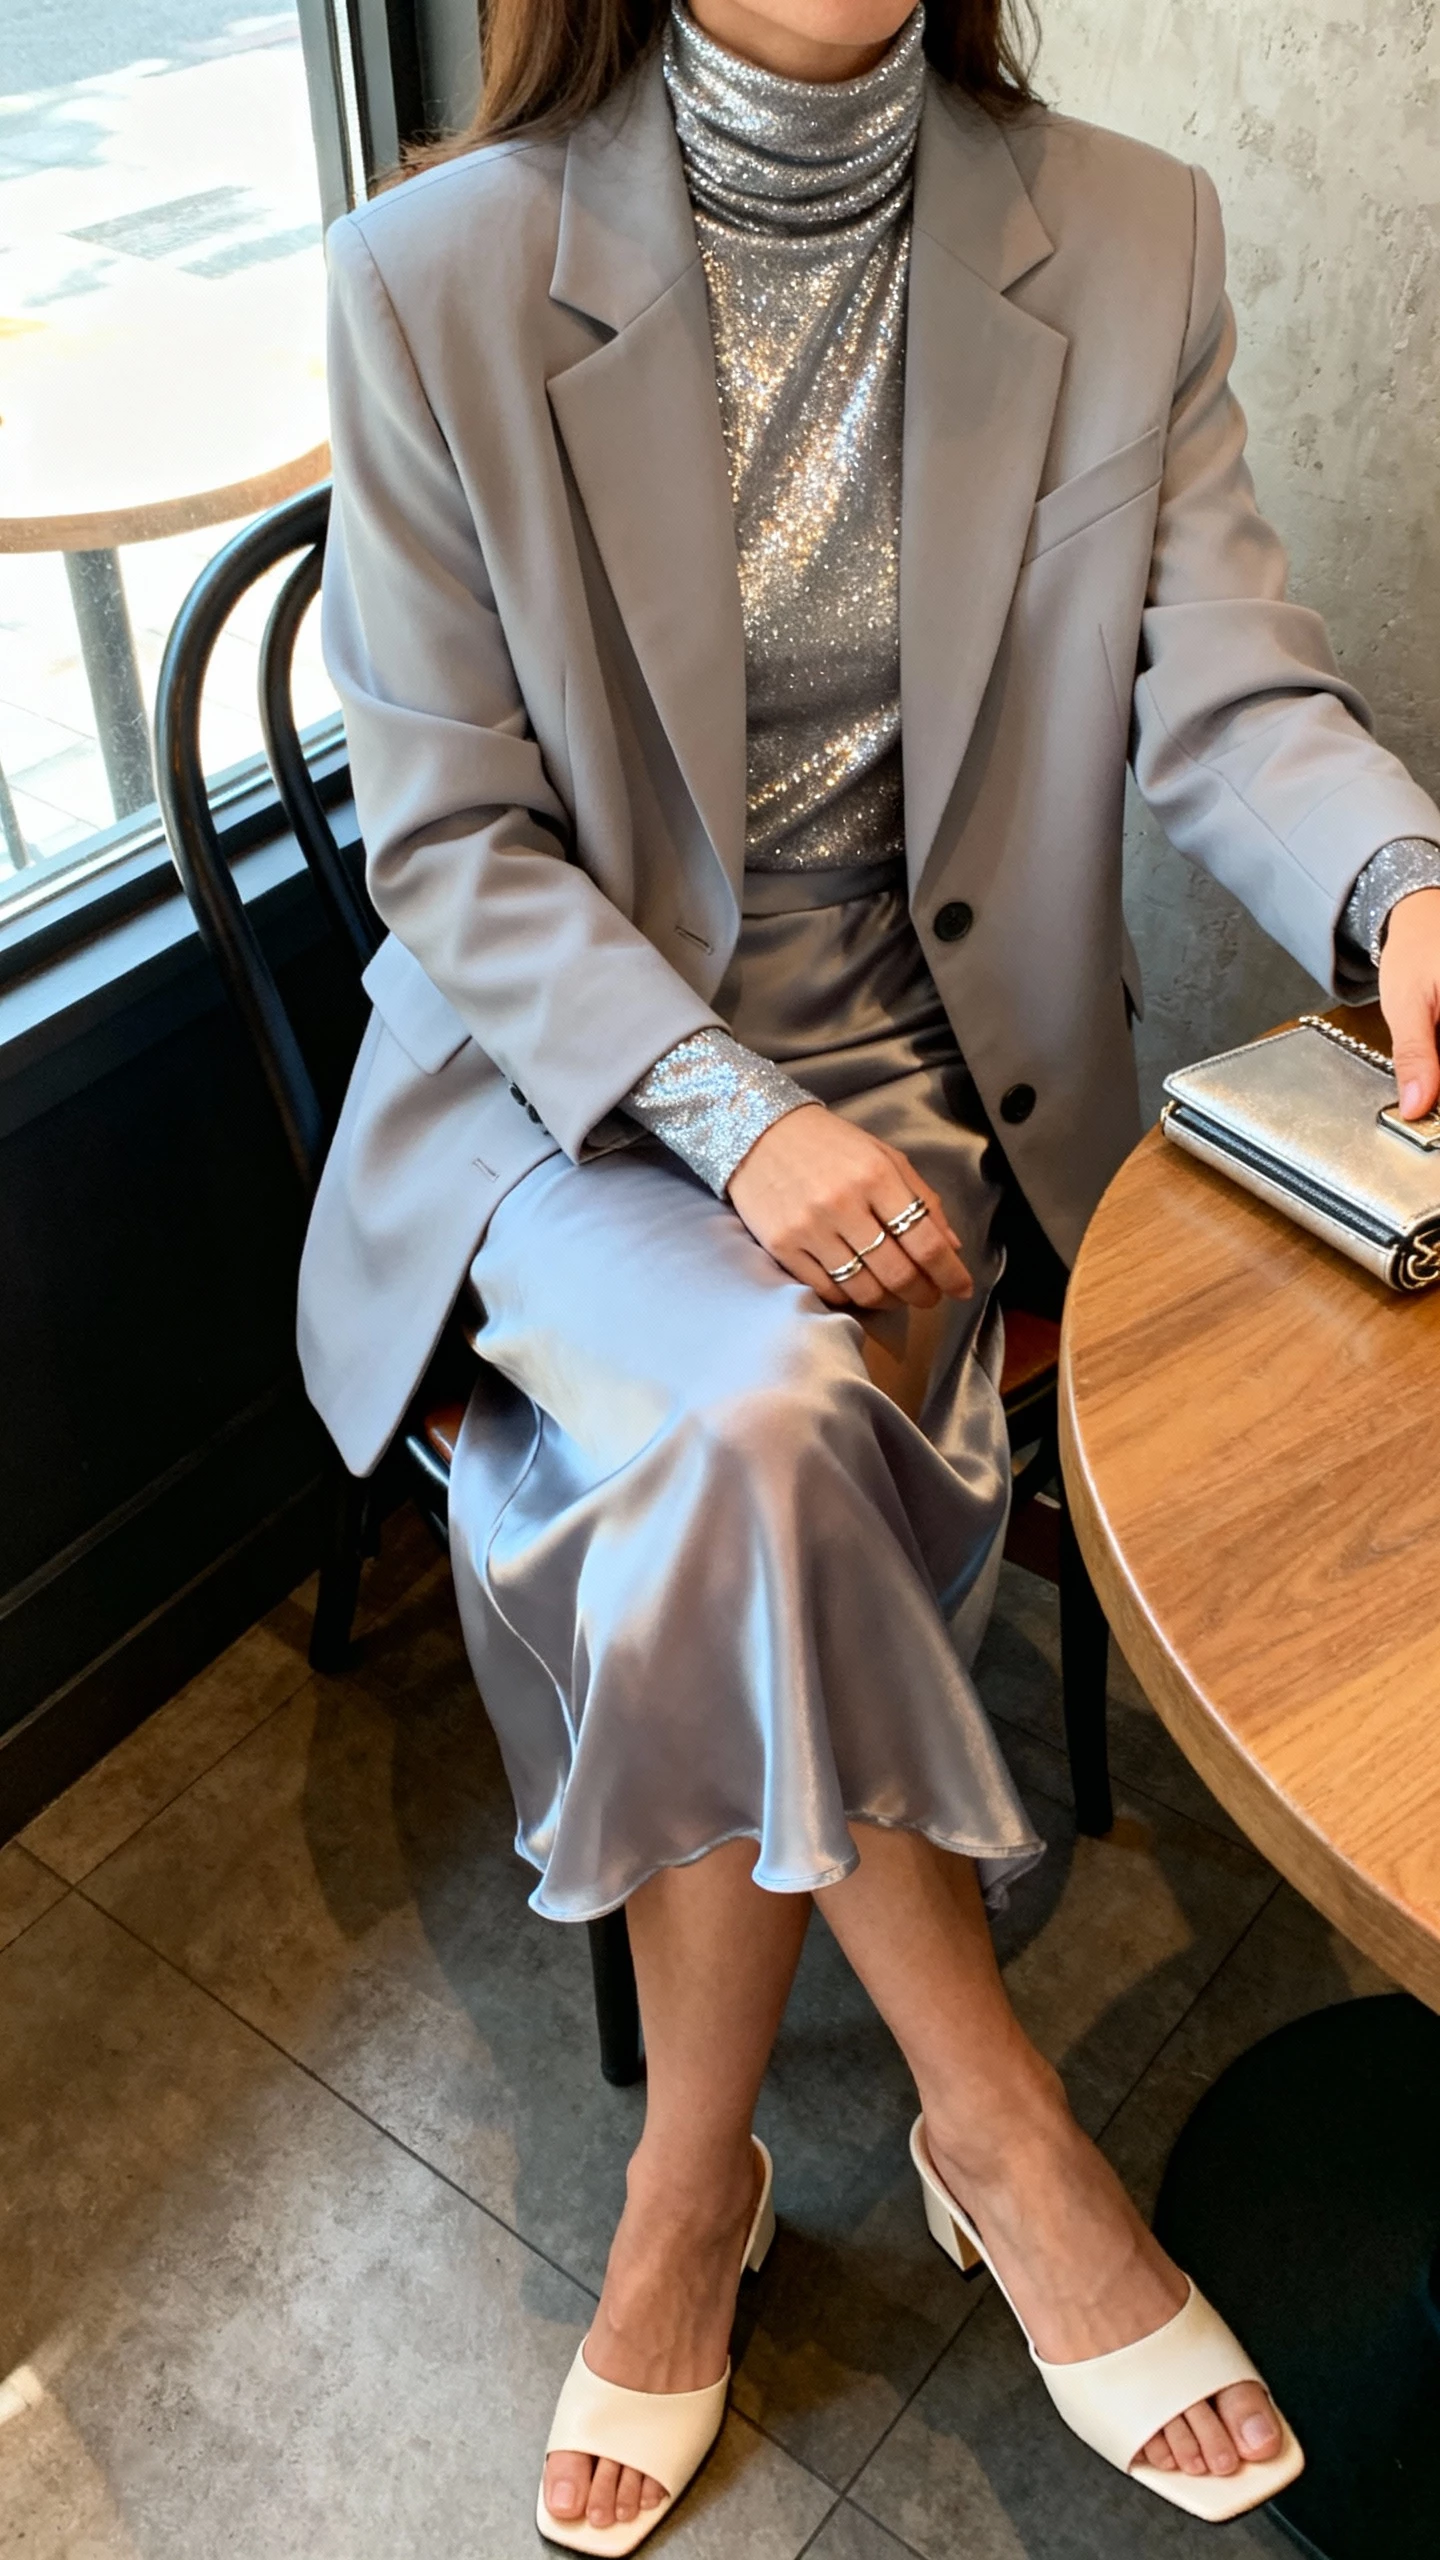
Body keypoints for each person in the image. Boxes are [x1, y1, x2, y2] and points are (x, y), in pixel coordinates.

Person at [297, 0, 1440, 2544]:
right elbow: (454, 846)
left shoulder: (1127, 229)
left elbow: (1234, 684)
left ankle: (684, 2190)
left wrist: (1398, 881)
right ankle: (1003, 2123)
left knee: (749, 1447)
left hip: (930, 1093)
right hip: (558, 1086)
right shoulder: (431, 275)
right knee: (759, 1419)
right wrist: (731, 1112)